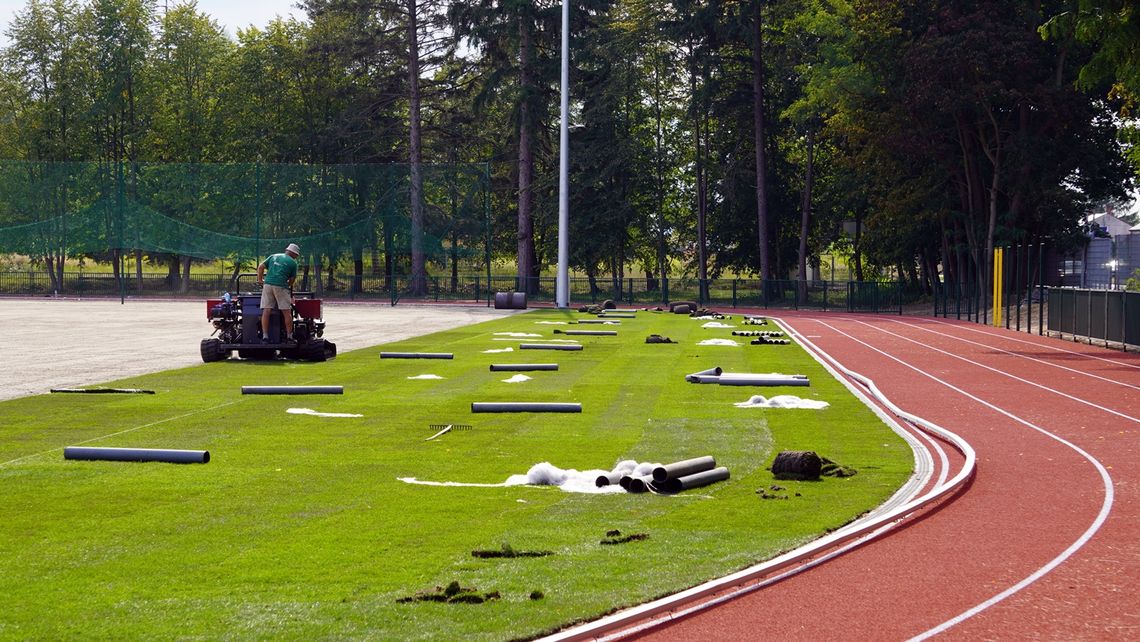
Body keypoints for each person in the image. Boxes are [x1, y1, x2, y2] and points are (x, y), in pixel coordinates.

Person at [256, 243, 300, 343]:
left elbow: (260, 267)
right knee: (286, 312)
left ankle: (265, 336)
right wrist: (287, 286)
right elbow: (292, 280)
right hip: (281, 286)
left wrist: (260, 280)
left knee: (266, 311)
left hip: (267, 285)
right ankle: (289, 336)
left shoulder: (273, 256)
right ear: (294, 254)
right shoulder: (293, 263)